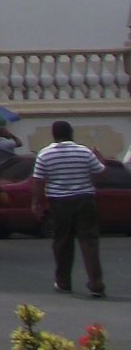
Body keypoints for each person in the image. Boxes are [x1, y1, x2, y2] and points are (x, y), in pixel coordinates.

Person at [31, 119, 106, 299]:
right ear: (71, 133)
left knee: (62, 242)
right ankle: (96, 284)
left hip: (59, 201)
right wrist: (100, 159)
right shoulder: (84, 151)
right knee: (89, 242)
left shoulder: (45, 154)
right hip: (85, 200)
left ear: (54, 134)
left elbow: (38, 181)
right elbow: (100, 174)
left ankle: (64, 282)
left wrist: (36, 203)